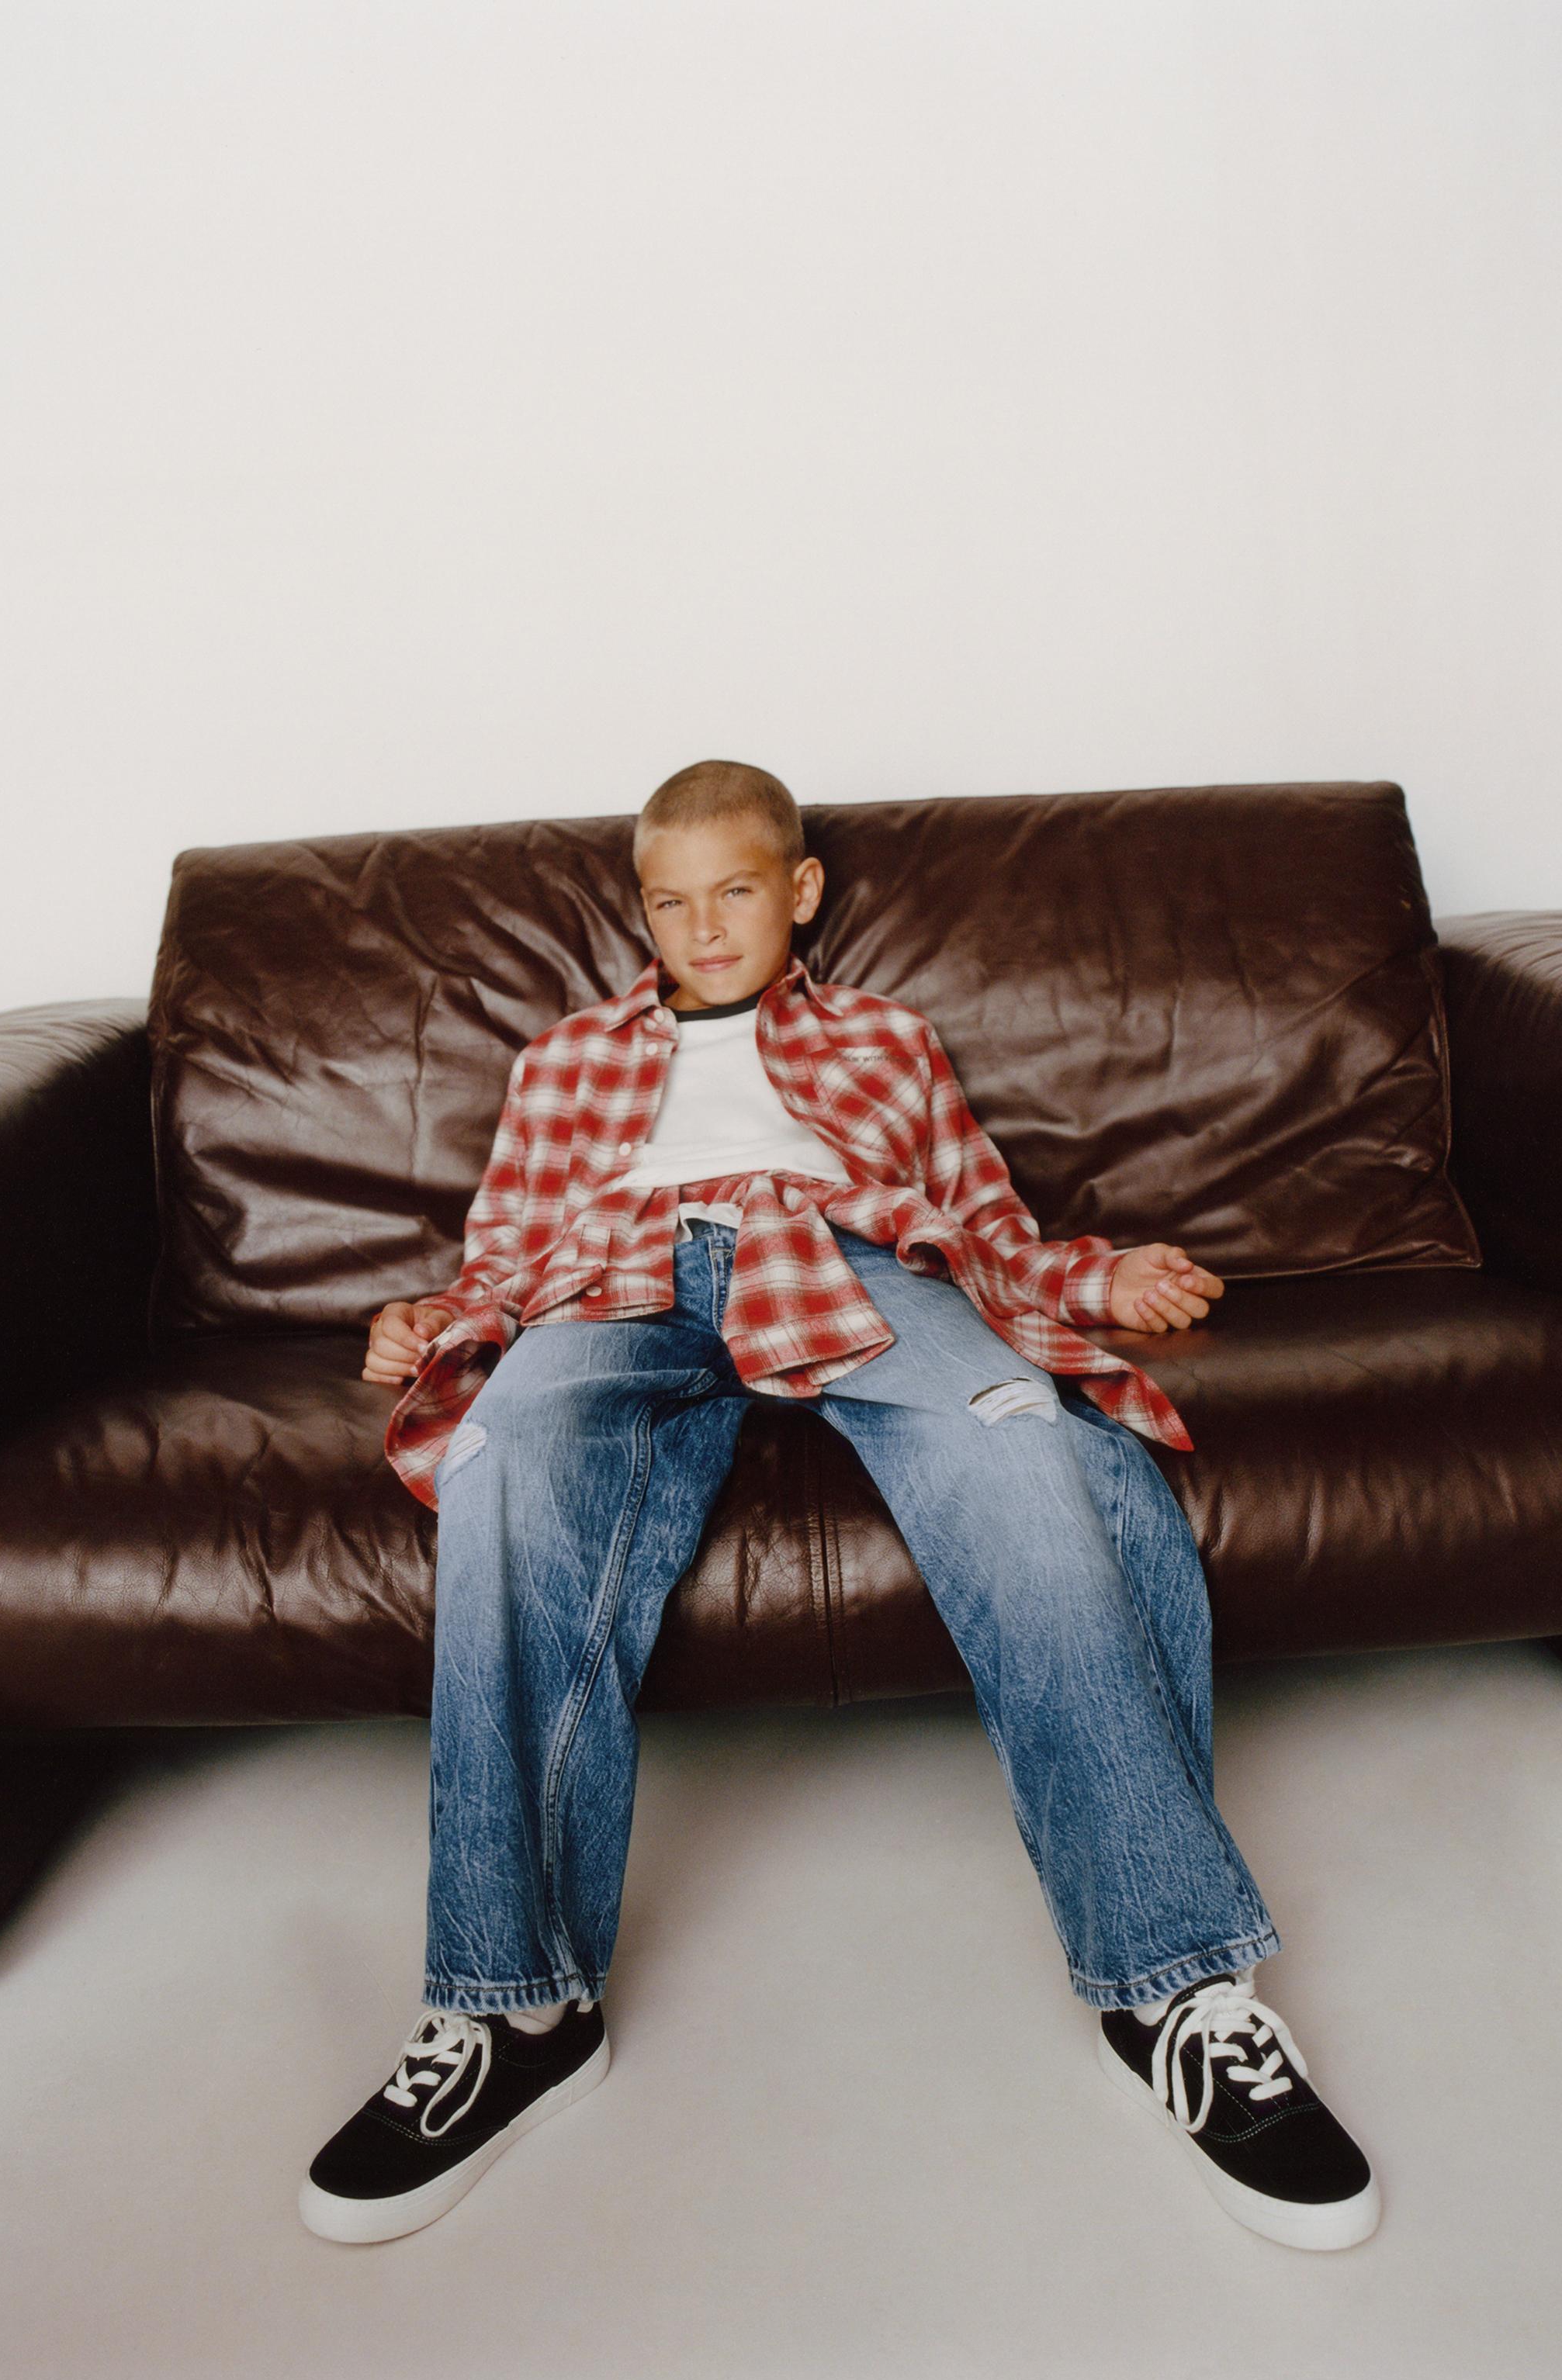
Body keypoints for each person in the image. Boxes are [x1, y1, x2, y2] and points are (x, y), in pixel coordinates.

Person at [299, 760, 1380, 2254]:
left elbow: (984, 1225)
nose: (701, 925)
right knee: (497, 1466)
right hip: (617, 1283)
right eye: (668, 903)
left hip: (845, 1265)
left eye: (733, 890)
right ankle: (515, 2008)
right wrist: (441, 1319)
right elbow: (511, 1241)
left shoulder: (883, 1041)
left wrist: (1094, 1280)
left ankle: (1175, 1985)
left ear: (799, 890)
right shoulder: (563, 1061)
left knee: (1028, 1442)